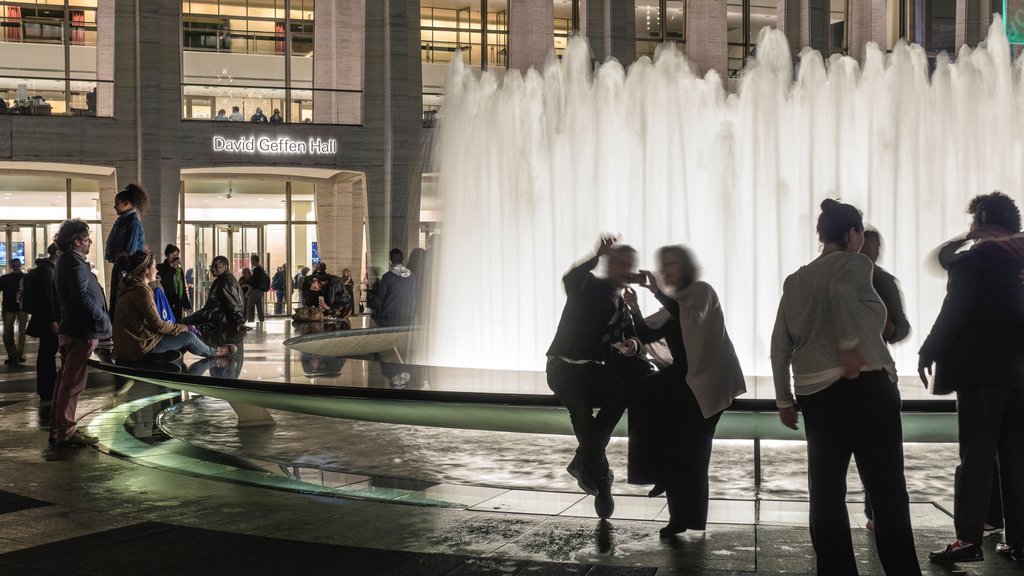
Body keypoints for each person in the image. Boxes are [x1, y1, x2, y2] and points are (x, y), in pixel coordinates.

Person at [771, 199, 921, 576]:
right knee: (886, 492)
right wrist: (850, 346)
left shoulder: (795, 280)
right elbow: (840, 290)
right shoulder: (856, 263)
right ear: (853, 234)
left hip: (814, 394)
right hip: (865, 385)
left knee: (825, 494)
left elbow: (779, 345)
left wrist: (784, 399)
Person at [919, 191, 1024, 564]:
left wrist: (927, 350)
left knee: (976, 457)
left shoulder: (973, 261)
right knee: (1016, 460)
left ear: (982, 222)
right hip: (1020, 374)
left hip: (981, 376)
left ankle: (967, 540)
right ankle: (1019, 542)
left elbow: (954, 312)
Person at [626, 245, 746, 537]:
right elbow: (646, 333)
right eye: (663, 264)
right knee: (648, 402)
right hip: (683, 380)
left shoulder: (702, 292)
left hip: (707, 383)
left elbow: (687, 316)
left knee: (691, 453)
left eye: (672, 264)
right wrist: (634, 308)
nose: (666, 269)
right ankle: (663, 486)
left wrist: (655, 291)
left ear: (686, 267)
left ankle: (683, 512)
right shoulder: (674, 301)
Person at [546, 237, 645, 519]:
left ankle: (583, 460)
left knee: (621, 394)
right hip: (562, 367)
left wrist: (632, 346)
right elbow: (570, 278)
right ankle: (602, 481)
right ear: (610, 264)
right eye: (622, 264)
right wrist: (595, 254)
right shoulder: (587, 284)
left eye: (630, 266)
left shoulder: (622, 305)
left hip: (592, 369)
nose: (626, 270)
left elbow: (635, 337)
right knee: (581, 411)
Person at [859, 228, 912, 530]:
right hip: (877, 377)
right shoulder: (883, 280)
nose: (870, 253)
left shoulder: (884, 281)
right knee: (882, 457)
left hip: (871, 374)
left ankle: (877, 515)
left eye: (873, 248)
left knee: (878, 457)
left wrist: (888, 328)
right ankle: (880, 516)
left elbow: (903, 328)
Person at [112, 251, 235, 363]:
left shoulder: (129, 286)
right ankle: (215, 353)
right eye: (154, 267)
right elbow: (158, 324)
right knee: (189, 338)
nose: (157, 270)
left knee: (178, 334)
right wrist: (185, 328)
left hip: (128, 345)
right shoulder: (141, 290)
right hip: (139, 346)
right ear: (146, 270)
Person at [51, 219, 109, 447]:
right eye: (86, 239)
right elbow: (81, 298)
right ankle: (66, 431)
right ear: (77, 241)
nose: (90, 242)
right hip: (80, 330)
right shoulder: (74, 264)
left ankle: (59, 428)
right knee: (72, 382)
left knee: (65, 380)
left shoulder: (67, 261)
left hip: (73, 328)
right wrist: (102, 317)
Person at [104, 183, 148, 314]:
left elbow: (130, 250)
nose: (114, 206)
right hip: (122, 267)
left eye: (117, 203)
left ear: (127, 203)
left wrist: (123, 271)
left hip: (127, 269)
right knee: (116, 302)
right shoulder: (124, 221)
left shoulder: (132, 222)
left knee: (120, 303)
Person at [23, 245, 60, 402]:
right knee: (47, 354)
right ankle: (47, 389)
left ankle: (47, 389)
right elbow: (47, 296)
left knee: (46, 353)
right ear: (57, 252)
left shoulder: (45, 269)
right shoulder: (46, 270)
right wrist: (52, 318)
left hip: (46, 318)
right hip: (47, 320)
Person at [181, 256, 247, 333]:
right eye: (212, 266)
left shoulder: (226, 282)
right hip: (214, 316)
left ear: (225, 267)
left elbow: (234, 305)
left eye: (217, 267)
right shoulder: (222, 280)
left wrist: (239, 322)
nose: (213, 269)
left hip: (216, 319)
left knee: (182, 323)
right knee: (184, 322)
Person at [371, 248, 416, 326]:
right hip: (408, 315)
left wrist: (374, 306)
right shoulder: (412, 276)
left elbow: (381, 298)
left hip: (390, 316)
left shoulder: (387, 276)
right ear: (403, 261)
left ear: (390, 261)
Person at [1, 257, 28, 364]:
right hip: (21, 308)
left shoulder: (4, 278)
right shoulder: (25, 278)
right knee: (21, 333)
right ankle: (18, 354)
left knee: (8, 333)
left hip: (8, 307)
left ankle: (13, 354)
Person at [156, 244, 192, 322]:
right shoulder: (160, 268)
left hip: (177, 303)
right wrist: (172, 267)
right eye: (172, 254)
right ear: (167, 255)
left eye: (177, 255)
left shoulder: (179, 270)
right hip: (166, 302)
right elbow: (165, 281)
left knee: (177, 323)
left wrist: (187, 305)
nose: (175, 257)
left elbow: (182, 289)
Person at [245, 254, 270, 322]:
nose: (251, 262)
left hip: (256, 290)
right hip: (261, 291)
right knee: (259, 307)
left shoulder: (257, 269)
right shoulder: (261, 268)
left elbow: (254, 283)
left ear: (254, 260)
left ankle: (250, 320)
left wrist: (248, 292)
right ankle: (261, 320)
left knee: (250, 306)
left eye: (251, 260)